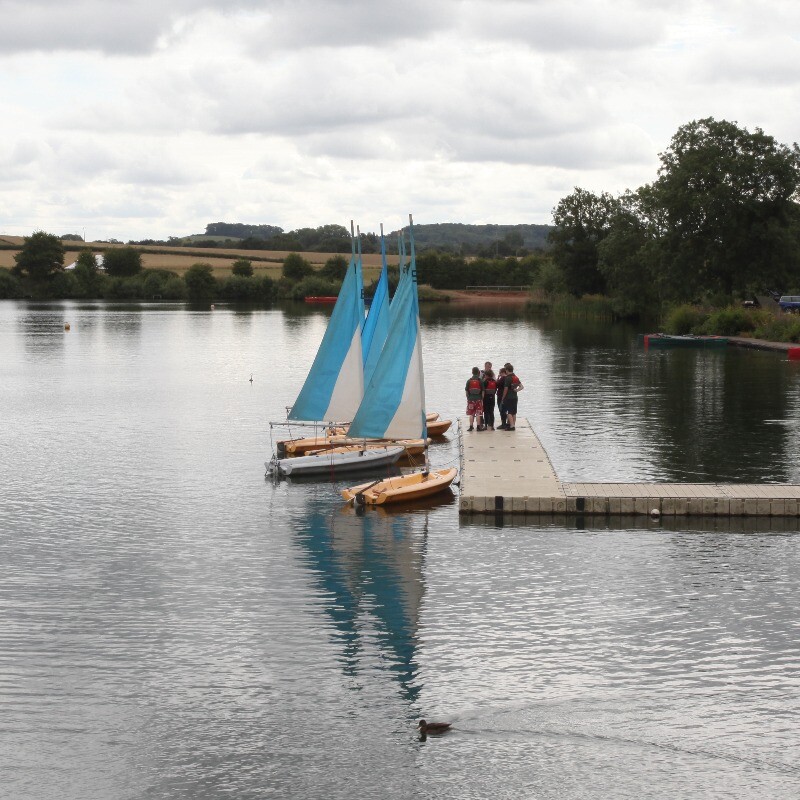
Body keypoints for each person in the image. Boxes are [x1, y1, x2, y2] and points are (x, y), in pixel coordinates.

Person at [499, 362, 523, 431]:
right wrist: (516, 390)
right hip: (515, 397)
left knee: (508, 412)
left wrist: (503, 397)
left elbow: (506, 389)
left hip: (508, 397)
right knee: (514, 412)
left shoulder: (508, 378)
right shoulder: (516, 377)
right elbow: (521, 387)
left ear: (507, 370)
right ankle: (513, 424)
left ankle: (512, 426)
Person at [464, 366, 484, 431]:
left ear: (472, 372)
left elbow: (467, 391)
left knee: (471, 413)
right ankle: (478, 427)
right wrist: (482, 398)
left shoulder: (469, 381)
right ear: (478, 372)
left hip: (471, 399)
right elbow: (483, 391)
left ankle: (471, 426)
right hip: (478, 399)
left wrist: (468, 398)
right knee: (478, 413)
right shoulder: (480, 381)